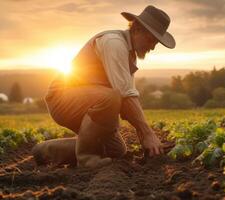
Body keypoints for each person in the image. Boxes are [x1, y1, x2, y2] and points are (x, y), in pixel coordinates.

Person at [31, 5, 176, 168]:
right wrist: (148, 133)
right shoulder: (114, 43)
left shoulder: (129, 54)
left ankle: (45, 150)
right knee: (112, 97)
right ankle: (86, 158)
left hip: (90, 101)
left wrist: (145, 136)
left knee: (116, 150)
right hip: (62, 98)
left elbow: (129, 100)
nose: (152, 47)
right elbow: (124, 94)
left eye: (156, 42)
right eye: (151, 39)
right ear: (136, 29)